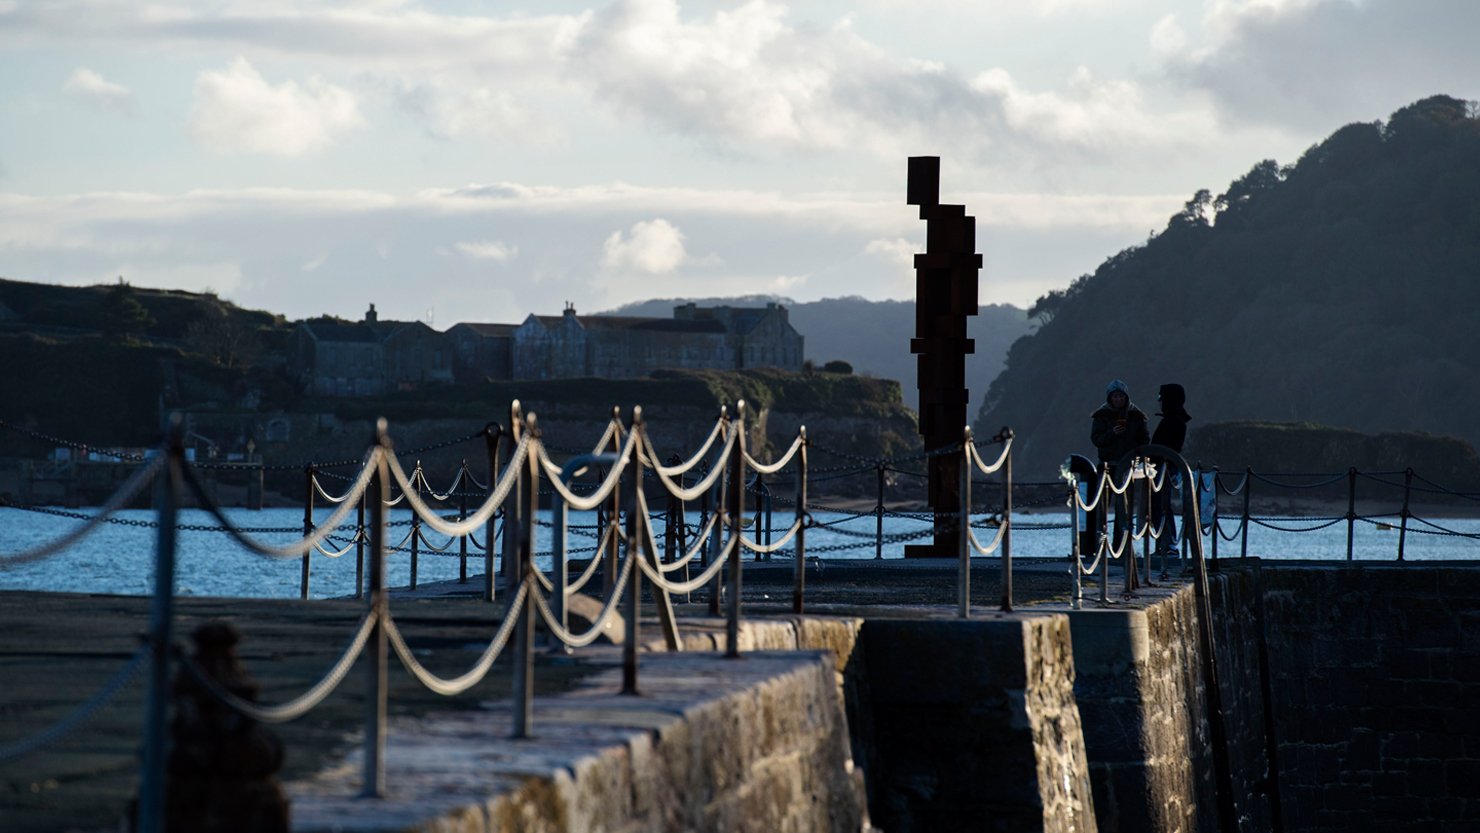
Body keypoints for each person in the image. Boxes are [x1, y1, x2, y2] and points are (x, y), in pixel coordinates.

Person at [1090, 380, 1150, 548]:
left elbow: (1144, 439)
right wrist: (1111, 433)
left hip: (1127, 467)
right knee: (1102, 506)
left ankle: (1121, 544)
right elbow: (1096, 439)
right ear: (1110, 398)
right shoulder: (1101, 415)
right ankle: (1098, 545)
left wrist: (1135, 452)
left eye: (1121, 396)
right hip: (1107, 466)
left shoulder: (1136, 415)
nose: (1118, 399)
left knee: (1124, 508)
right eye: (1115, 396)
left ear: (1126, 397)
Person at [1150, 384, 1191, 554]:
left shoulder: (1173, 421)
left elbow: (1164, 447)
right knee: (1161, 506)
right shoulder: (1175, 419)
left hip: (1164, 469)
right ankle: (1165, 544)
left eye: (1161, 398)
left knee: (1162, 506)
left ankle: (1168, 544)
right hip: (1164, 468)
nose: (1159, 402)